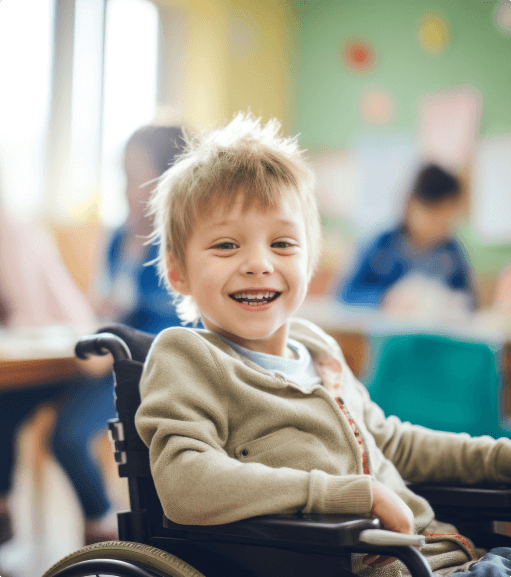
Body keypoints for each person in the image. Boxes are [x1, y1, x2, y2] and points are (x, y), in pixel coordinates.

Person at [133, 112, 511, 577]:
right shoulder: (186, 356)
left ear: (310, 262)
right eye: (227, 245)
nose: (258, 263)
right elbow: (186, 482)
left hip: (454, 554)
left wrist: (499, 457)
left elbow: (394, 442)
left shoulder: (318, 349)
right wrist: (354, 494)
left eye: (283, 244)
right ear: (177, 271)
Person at [0, 205, 117, 548]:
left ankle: (104, 522)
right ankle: (3, 511)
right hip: (62, 355)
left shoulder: (15, 233)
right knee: (3, 408)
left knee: (67, 436)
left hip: (96, 360)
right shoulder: (118, 241)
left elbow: (72, 318)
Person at [94, 125, 201, 335]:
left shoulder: (181, 246)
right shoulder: (119, 238)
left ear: (169, 183)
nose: (124, 190)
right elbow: (104, 302)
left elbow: (183, 324)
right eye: (124, 178)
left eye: (132, 178)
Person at [335, 164, 478, 315]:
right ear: (410, 205)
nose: (440, 225)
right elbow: (344, 296)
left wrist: (455, 304)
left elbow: (471, 302)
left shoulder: (451, 254)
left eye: (447, 218)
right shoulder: (381, 247)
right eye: (433, 215)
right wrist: (384, 300)